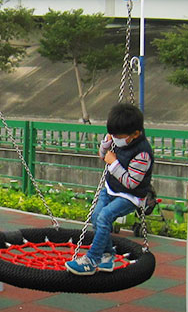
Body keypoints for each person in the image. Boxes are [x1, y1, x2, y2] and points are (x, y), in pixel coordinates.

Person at [66, 102, 155, 275]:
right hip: (111, 187)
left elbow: (131, 183)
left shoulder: (142, 154)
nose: (115, 139)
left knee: (105, 216)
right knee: (96, 216)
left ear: (135, 134)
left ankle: (91, 259)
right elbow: (103, 156)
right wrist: (105, 145)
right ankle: (108, 255)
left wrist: (113, 164)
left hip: (131, 195)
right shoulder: (116, 139)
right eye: (113, 135)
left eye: (118, 136)